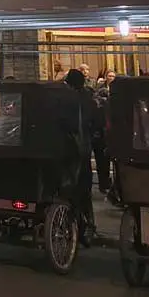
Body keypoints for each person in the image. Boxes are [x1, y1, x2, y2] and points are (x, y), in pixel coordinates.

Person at [64, 68, 97, 244]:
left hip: (72, 151)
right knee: (84, 191)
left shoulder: (68, 99)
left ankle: (74, 226)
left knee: (72, 190)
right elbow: (95, 124)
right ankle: (87, 227)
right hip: (83, 149)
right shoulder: (88, 100)